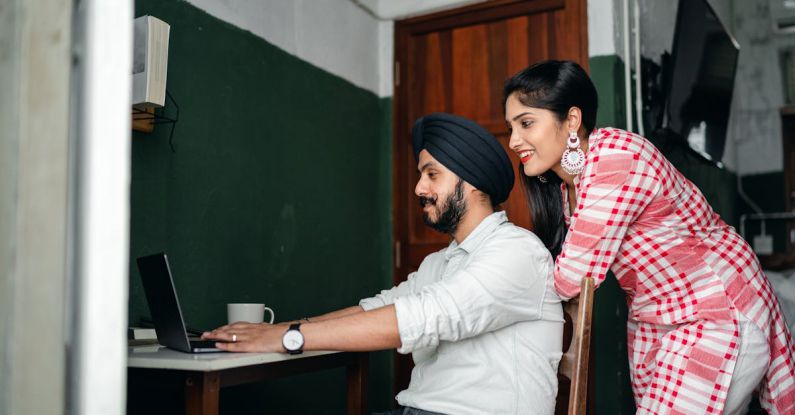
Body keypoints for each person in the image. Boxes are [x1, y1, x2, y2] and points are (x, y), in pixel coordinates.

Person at [202, 113, 564, 415]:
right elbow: (378, 308)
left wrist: (287, 338)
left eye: (432, 174)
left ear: (472, 183)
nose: (419, 189)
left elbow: (425, 316)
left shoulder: (517, 251)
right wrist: (284, 327)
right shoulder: (440, 263)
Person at [503, 59, 795, 415]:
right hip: (663, 322)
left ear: (572, 121)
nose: (514, 140)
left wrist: (492, 289)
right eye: (511, 127)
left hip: (715, 313)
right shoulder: (571, 188)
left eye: (526, 123)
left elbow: (573, 277)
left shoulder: (615, 158)